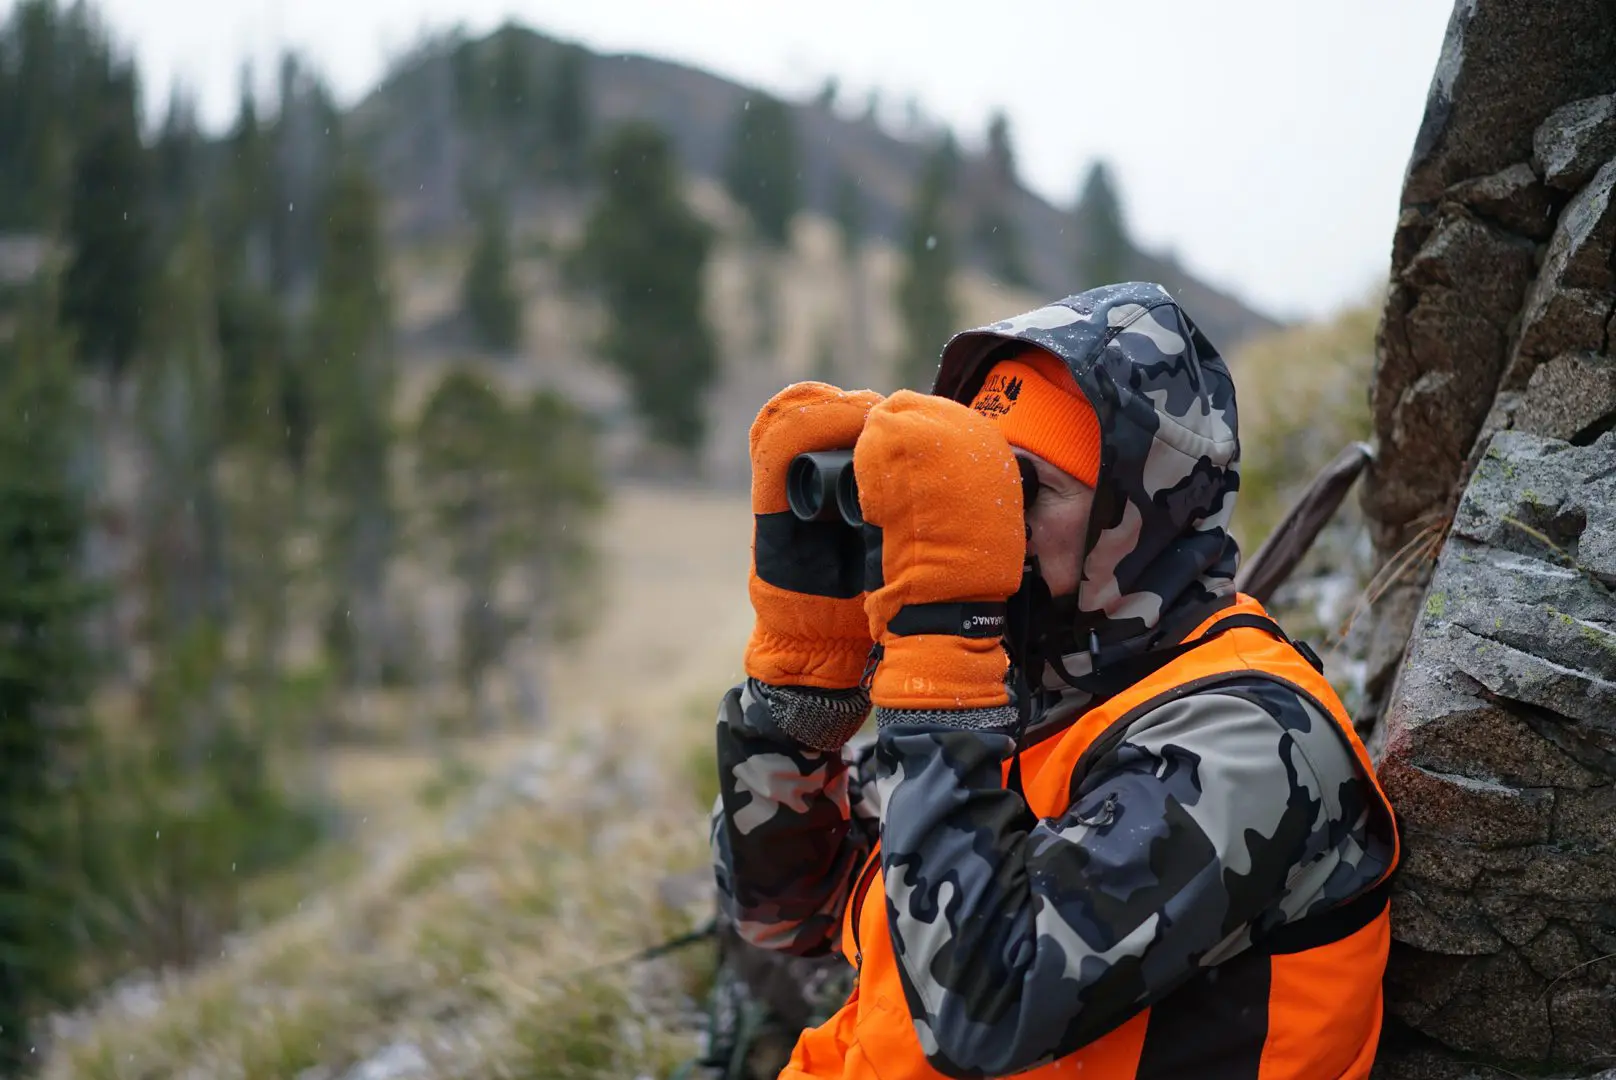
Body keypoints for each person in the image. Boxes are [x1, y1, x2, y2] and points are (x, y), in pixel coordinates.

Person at [709, 281, 1400, 1079]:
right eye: (971, 479)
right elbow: (788, 913)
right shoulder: (1025, 698)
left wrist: (938, 660)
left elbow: (988, 1008)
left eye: (1022, 486)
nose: (988, 516)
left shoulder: (1253, 741)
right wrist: (802, 694)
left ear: (1133, 511)